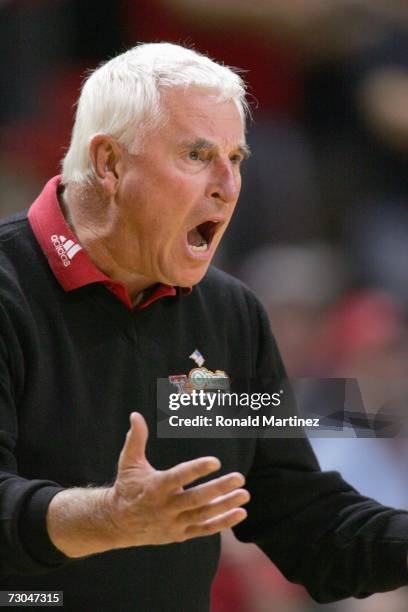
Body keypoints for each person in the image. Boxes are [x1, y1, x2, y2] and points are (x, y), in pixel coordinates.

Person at [0, 42, 408, 612]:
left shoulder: (231, 314)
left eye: (236, 158)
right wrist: (110, 519)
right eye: (197, 155)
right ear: (110, 164)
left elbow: (301, 516)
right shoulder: (9, 289)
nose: (229, 186)